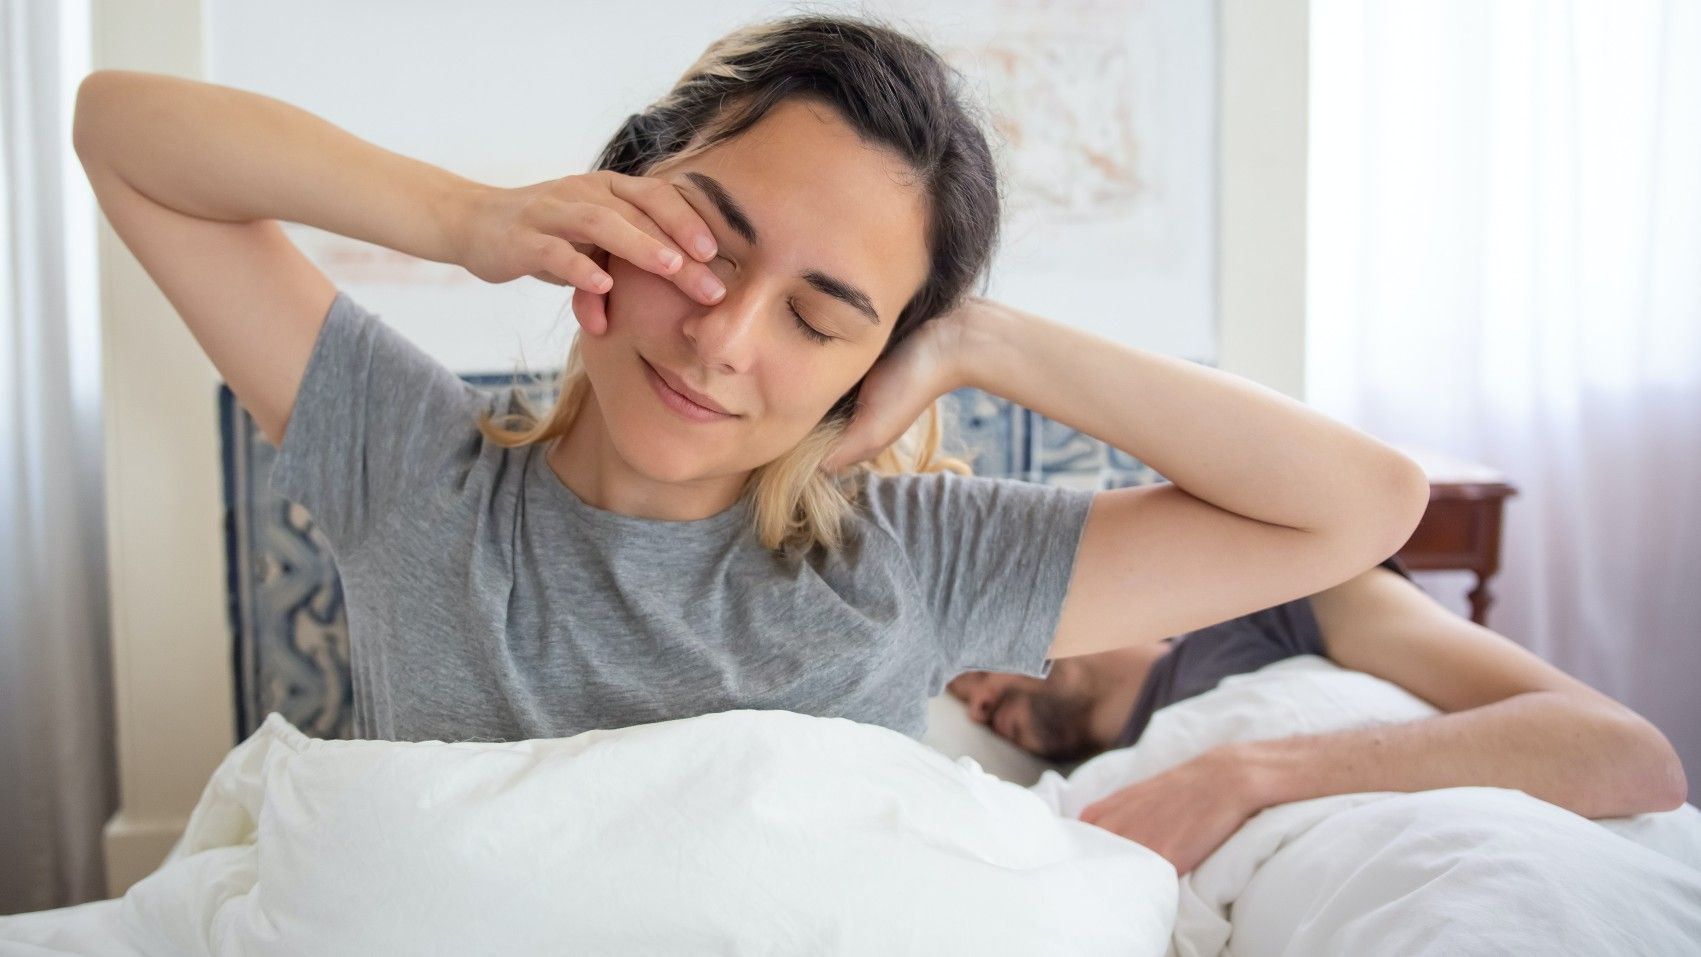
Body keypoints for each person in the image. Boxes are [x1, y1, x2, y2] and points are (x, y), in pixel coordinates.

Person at [71, 14, 1428, 746]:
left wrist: (981, 340)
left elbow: (1359, 506)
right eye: (707, 246)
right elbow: (119, 125)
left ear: (876, 358)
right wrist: (462, 218)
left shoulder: (914, 560)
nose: (724, 340)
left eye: (824, 315)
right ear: (618, 190)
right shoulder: (413, 473)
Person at [948, 558, 1689, 873]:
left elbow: (1631, 757)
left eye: (973, 669)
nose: (978, 703)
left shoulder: (1281, 606)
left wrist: (1244, 773)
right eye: (965, 706)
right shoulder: (1076, 801)